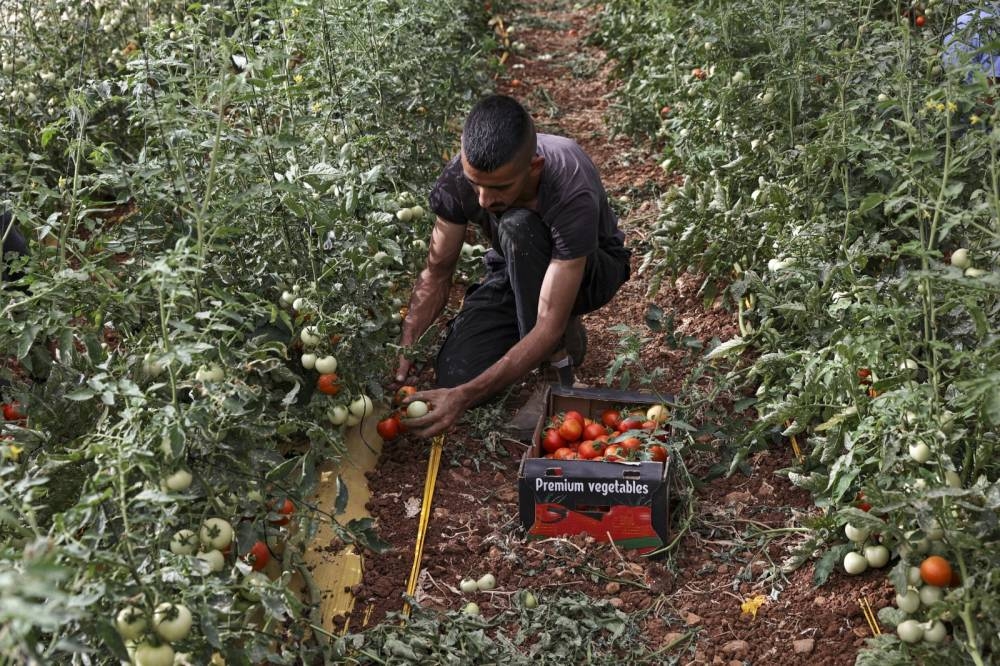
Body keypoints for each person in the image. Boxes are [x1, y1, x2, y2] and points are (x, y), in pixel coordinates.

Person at [394, 95, 630, 438]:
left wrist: (462, 399)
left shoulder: (567, 183)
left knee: (517, 226)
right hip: (515, 268)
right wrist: (408, 346)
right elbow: (437, 272)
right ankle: (546, 331)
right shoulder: (460, 177)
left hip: (589, 272)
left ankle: (557, 374)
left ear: (533, 167)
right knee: (455, 376)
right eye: (475, 183)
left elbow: (548, 322)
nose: (484, 200)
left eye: (499, 187)